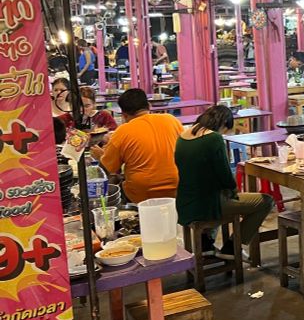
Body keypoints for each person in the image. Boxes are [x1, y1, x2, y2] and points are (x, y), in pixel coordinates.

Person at [175, 106, 275, 259]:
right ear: (222, 124)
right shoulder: (213, 138)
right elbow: (225, 175)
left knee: (220, 194)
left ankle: (205, 243)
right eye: (225, 130)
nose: (223, 133)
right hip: (207, 205)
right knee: (266, 201)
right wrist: (233, 190)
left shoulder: (182, 137)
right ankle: (233, 247)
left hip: (184, 204)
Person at [90, 89, 184, 203]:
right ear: (148, 106)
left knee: (114, 187)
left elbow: (106, 170)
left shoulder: (123, 131)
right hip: (177, 188)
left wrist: (100, 156)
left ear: (124, 115)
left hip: (142, 194)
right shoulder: (171, 120)